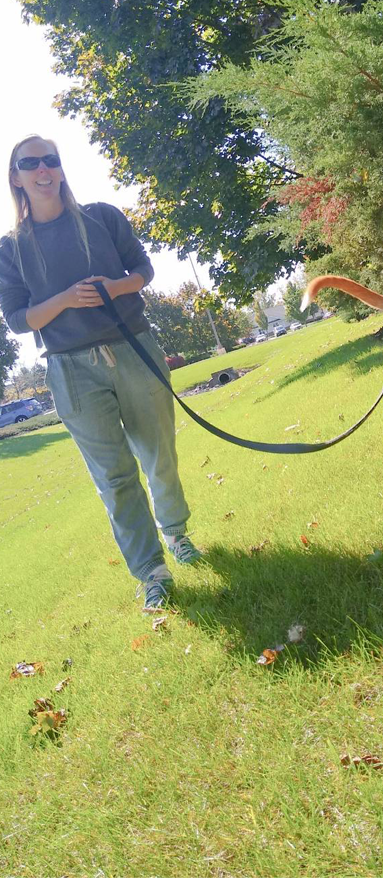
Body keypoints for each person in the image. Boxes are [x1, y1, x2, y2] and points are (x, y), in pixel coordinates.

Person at [0, 134, 202, 612]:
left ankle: (175, 533)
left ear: (61, 168)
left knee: (159, 456)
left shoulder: (103, 216)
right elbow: (17, 318)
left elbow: (144, 270)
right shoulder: (11, 248)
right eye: (31, 163)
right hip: (70, 369)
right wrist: (67, 299)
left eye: (51, 159)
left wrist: (117, 286)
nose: (44, 169)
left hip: (133, 349)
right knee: (113, 478)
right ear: (18, 179)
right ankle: (151, 571)